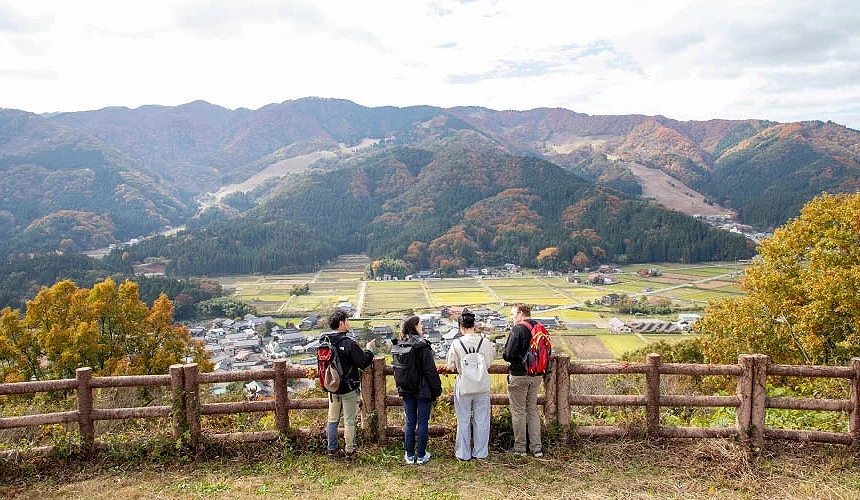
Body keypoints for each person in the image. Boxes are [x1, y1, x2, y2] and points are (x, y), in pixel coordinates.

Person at [323, 309, 376, 460]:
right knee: (349, 420)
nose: (349, 323)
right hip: (348, 388)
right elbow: (363, 362)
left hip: (332, 387)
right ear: (341, 323)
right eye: (347, 320)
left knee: (332, 419)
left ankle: (332, 451)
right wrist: (369, 350)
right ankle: (350, 451)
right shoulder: (348, 343)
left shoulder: (324, 342)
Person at [446, 308, 495, 461]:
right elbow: (489, 362)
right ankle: (481, 452)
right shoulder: (485, 342)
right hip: (481, 385)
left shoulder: (456, 343)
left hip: (464, 385)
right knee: (482, 419)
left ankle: (463, 453)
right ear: (474, 325)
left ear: (461, 327)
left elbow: (450, 365)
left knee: (463, 419)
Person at [395, 315, 442, 465]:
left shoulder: (400, 344)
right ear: (415, 326)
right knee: (422, 423)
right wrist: (437, 390)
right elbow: (430, 371)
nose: (422, 326)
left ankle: (409, 455)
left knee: (409, 422)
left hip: (406, 389)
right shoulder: (422, 345)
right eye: (420, 324)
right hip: (423, 390)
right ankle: (421, 455)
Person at [502, 303, 543, 457]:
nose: (512, 318)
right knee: (532, 410)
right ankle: (536, 448)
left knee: (519, 412)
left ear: (520, 313)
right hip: (537, 375)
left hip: (519, 375)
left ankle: (520, 449)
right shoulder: (539, 327)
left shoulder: (518, 329)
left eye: (513, 314)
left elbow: (508, 355)